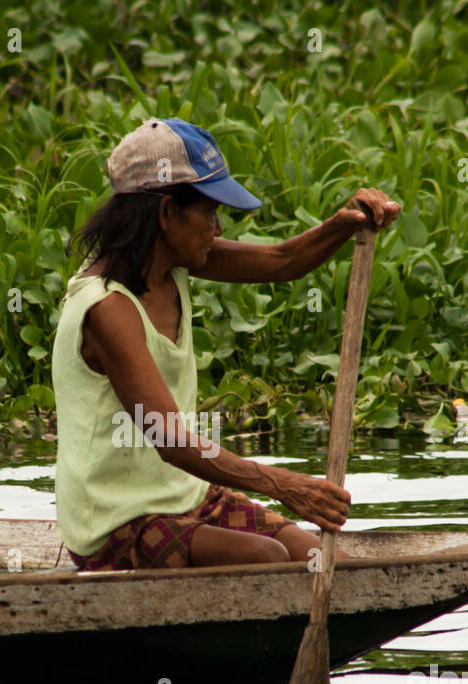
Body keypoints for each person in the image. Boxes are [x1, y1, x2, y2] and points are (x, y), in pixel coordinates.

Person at [53, 117, 400, 571]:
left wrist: (343, 223)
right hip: (114, 524)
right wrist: (286, 485)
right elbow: (172, 441)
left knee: (315, 558)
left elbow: (283, 260)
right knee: (263, 559)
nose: (218, 228)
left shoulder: (173, 260)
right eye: (210, 212)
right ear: (165, 214)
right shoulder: (108, 310)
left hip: (185, 495)